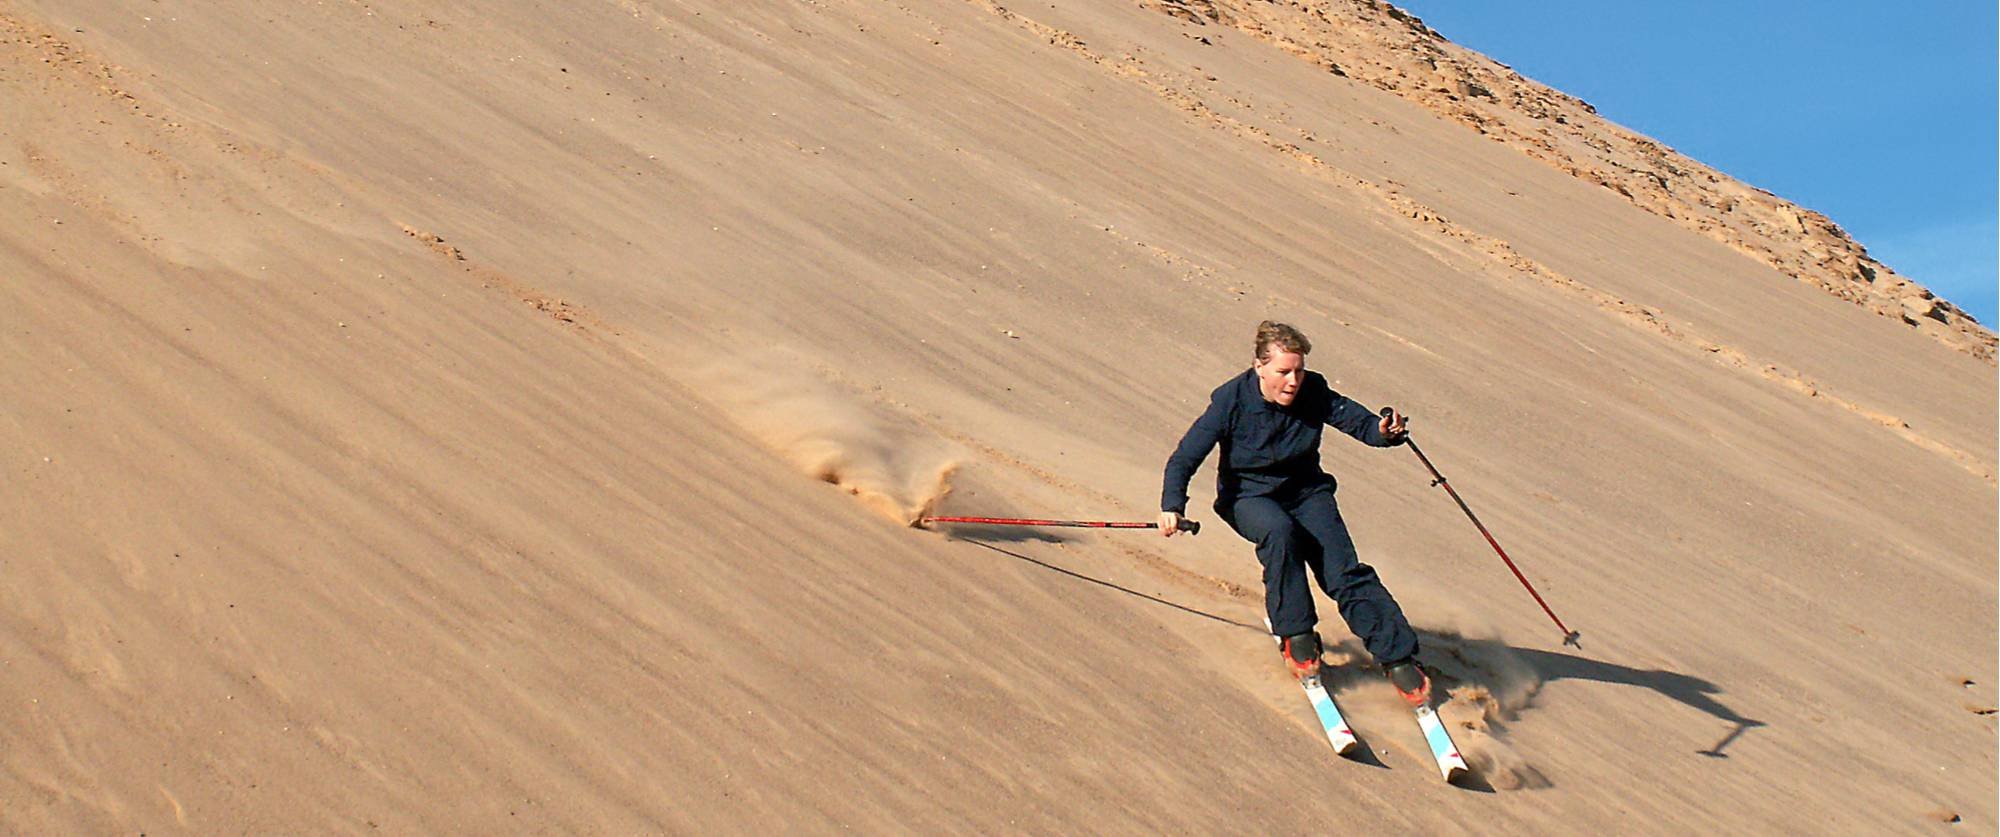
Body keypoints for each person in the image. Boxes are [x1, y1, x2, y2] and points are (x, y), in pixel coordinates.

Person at [1159, 321, 1431, 706]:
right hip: (1248, 497)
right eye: (1283, 371)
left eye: (1298, 370)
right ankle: (1297, 634)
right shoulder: (1230, 401)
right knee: (1279, 534)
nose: (1292, 380)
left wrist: (1384, 431)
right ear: (1259, 367)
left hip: (1307, 492)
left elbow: (1358, 422)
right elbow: (1185, 457)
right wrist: (1172, 506)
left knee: (1343, 571)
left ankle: (1397, 654)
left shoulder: (1313, 390)